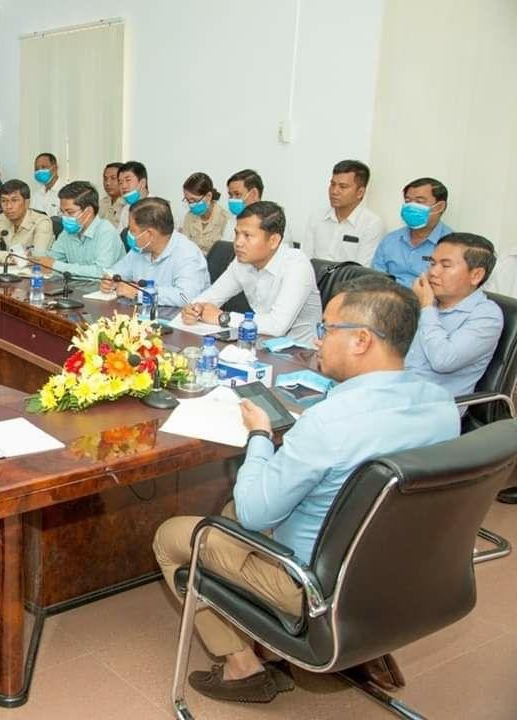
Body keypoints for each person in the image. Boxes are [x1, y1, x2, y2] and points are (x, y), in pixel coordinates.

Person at [155, 275, 459, 704]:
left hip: (313, 586)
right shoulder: (441, 405)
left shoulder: (328, 423)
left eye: (327, 329)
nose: (318, 340)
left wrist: (260, 435)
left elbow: (257, 513)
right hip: (400, 573)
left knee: (172, 537)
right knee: (229, 513)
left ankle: (242, 668)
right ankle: (348, 646)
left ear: (361, 340)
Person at [184, 201, 321, 345]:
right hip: (260, 345)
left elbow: (277, 325)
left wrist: (223, 318)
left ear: (273, 241)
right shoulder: (242, 262)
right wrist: (194, 309)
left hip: (299, 352)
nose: (238, 243)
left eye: (247, 235)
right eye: (237, 234)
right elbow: (211, 297)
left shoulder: (297, 265)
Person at [405, 233, 502, 398]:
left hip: (431, 405)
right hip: (395, 392)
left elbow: (443, 360)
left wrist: (426, 307)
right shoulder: (426, 300)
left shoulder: (487, 316)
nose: (433, 272)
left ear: (476, 275)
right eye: (432, 263)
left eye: (445, 266)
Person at [102, 197, 211, 307]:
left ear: (149, 234)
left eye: (132, 230)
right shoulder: (140, 249)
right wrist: (109, 280)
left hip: (176, 316)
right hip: (144, 312)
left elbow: (186, 297)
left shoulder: (187, 254)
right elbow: (117, 272)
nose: (128, 234)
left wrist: (139, 293)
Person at [32, 181, 125, 278]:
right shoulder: (68, 231)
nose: (64, 217)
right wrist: (36, 258)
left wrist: (56, 266)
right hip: (76, 285)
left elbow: (101, 272)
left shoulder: (106, 232)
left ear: (88, 211)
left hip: (104, 287)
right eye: (62, 212)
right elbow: (52, 258)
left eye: (70, 212)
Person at [301, 160, 385, 265]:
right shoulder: (317, 217)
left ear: (360, 192)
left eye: (343, 187)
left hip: (349, 276)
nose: (334, 191)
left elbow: (362, 269)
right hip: (314, 275)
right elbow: (305, 260)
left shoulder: (371, 225)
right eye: (332, 184)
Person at [372, 177, 453, 287]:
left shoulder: (452, 245)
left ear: (440, 207)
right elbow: (375, 278)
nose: (411, 207)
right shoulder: (390, 240)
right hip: (388, 295)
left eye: (419, 202)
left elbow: (449, 288)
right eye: (407, 201)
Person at [0, 179, 54, 265]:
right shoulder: (3, 218)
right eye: (4, 201)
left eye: (14, 200)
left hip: (35, 272)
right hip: (10, 270)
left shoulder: (42, 223)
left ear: (27, 203)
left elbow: (36, 258)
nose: (8, 206)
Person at [180, 172, 234, 254]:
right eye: (188, 201)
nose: (191, 205)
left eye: (194, 200)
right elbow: (184, 247)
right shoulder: (189, 217)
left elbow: (224, 254)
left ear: (209, 196)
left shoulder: (226, 219)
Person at [31, 152, 67, 217]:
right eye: (36, 169)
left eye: (44, 167)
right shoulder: (36, 194)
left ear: (55, 168)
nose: (39, 171)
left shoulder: (66, 192)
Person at [116, 161, 149, 230]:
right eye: (120, 182)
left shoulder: (159, 207)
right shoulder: (126, 209)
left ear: (142, 183)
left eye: (128, 180)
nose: (123, 186)